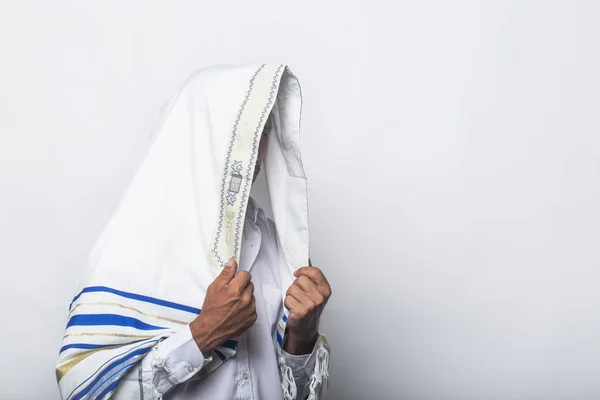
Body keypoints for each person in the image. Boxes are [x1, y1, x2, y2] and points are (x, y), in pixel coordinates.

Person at [55, 64, 331, 400]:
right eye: (245, 131)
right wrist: (201, 336)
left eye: (265, 132)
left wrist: (301, 338)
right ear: (201, 136)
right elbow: (80, 393)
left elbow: (297, 393)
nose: (258, 148)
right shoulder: (130, 245)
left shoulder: (275, 243)